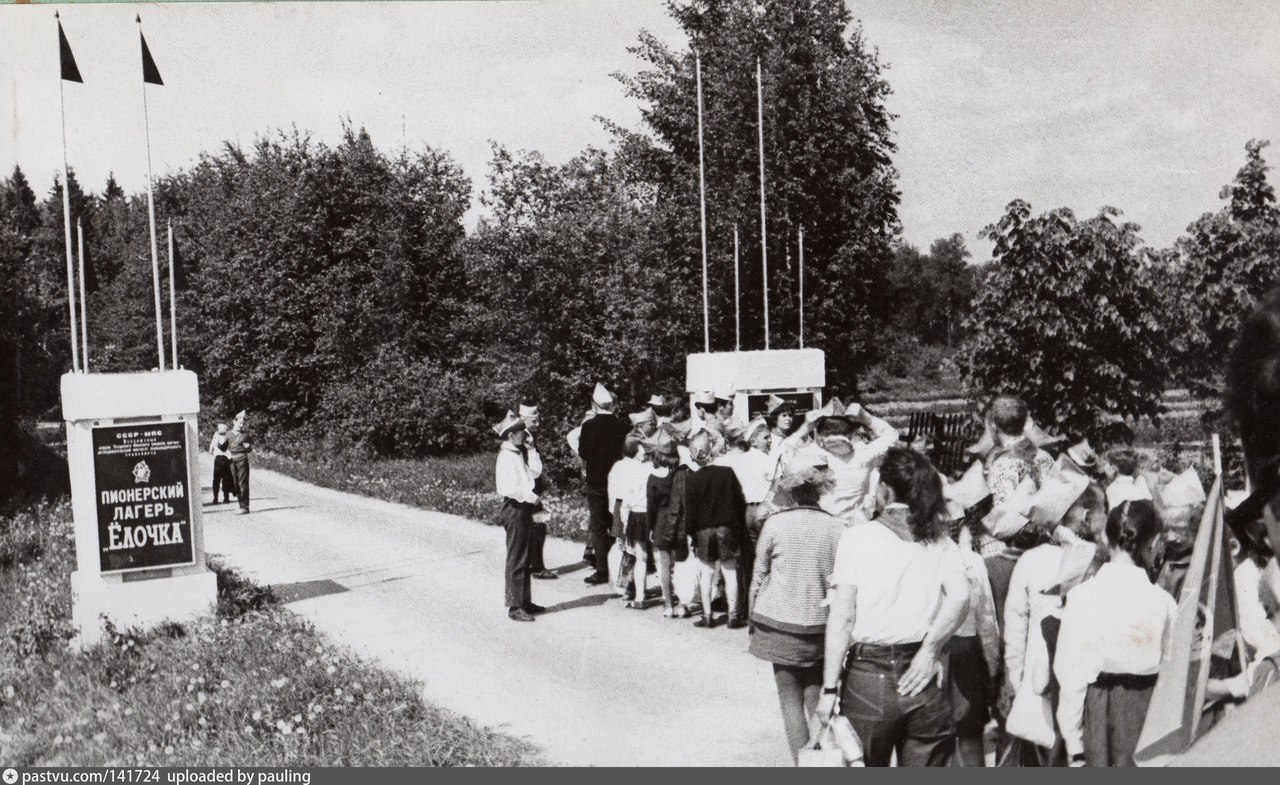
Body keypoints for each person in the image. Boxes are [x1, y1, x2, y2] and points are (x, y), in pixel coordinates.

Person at [817, 447, 970, 767]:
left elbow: (843, 617)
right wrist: (930, 650)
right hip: (921, 672)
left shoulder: (857, 539)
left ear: (884, 488)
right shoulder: (939, 540)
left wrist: (829, 688)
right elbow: (960, 597)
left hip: (869, 675)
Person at [1054, 500, 1176, 767]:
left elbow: (1070, 674)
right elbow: (1173, 673)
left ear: (1105, 540)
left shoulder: (1081, 597)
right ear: (1155, 542)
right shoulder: (1164, 602)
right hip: (1149, 713)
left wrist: (1074, 744)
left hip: (1102, 715)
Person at [1001, 472, 1105, 765]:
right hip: (1088, 691)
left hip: (1040, 687)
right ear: (1086, 515)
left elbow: (1015, 630)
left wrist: (1013, 680)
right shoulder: (1100, 561)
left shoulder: (1030, 561)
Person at [747, 453, 843, 761]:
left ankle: (803, 767)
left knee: (788, 698)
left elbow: (758, 577)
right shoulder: (836, 527)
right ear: (819, 491)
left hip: (778, 621)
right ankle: (819, 763)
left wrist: (751, 619)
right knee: (816, 696)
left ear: (788, 490)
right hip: (820, 624)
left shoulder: (774, 524)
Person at [780, 399, 898, 524]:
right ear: (852, 432)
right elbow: (892, 435)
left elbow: (783, 453)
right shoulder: (863, 455)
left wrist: (804, 428)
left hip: (824, 525)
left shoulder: (816, 455)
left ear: (819, 433)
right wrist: (866, 418)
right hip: (856, 524)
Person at [976, 396, 1056, 556]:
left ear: (993, 425)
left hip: (1013, 549)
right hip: (1044, 542)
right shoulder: (1044, 455)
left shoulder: (1002, 464)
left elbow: (1005, 521)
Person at [684, 431, 747, 628]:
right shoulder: (727, 472)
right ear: (712, 450)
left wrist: (690, 534)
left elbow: (690, 512)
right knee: (729, 571)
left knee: (707, 572)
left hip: (703, 531)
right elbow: (739, 501)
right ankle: (733, 615)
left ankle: (707, 615)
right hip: (727, 528)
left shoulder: (692, 479)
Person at [718, 417, 776, 612]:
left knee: (749, 559)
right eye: (766, 438)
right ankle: (767, 602)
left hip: (745, 511)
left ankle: (749, 604)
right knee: (769, 557)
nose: (770, 441)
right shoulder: (769, 460)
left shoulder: (739, 461)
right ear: (755, 440)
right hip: (766, 510)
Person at [578, 383, 630, 585]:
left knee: (599, 525)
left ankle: (602, 570)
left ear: (594, 404)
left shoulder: (588, 426)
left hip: (596, 481)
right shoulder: (623, 427)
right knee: (619, 522)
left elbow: (582, 453)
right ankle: (622, 566)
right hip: (618, 482)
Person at [493, 411, 544, 622]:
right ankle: (514, 606)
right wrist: (531, 497)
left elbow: (535, 473)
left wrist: (532, 451)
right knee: (516, 556)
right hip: (515, 508)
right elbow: (506, 488)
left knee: (526, 553)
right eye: (521, 431)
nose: (525, 434)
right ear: (511, 434)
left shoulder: (517, 453)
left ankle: (525, 601)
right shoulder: (506, 457)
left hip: (523, 508)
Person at [609, 436, 656, 608]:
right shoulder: (640, 468)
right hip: (631, 507)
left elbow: (612, 490)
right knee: (637, 551)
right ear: (636, 451)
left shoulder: (617, 466)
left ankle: (631, 586)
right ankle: (630, 587)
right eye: (642, 449)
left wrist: (614, 511)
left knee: (629, 549)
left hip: (622, 506)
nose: (644, 452)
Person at [647, 434, 691, 617]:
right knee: (681, 565)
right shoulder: (682, 473)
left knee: (663, 565)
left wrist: (650, 527)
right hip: (680, 520)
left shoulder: (653, 478)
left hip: (661, 521)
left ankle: (667, 605)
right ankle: (682, 603)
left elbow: (651, 506)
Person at [519, 404, 557, 581]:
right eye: (534, 419)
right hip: (529, 490)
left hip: (531, 489)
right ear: (524, 419)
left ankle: (533, 565)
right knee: (538, 526)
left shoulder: (527, 434)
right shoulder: (524, 436)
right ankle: (536, 567)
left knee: (535, 527)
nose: (538, 422)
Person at [227, 411, 253, 515]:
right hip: (231, 460)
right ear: (234, 422)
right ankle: (240, 505)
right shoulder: (228, 434)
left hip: (242, 460)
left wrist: (248, 447)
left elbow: (249, 449)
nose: (241, 425)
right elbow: (223, 448)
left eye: (243, 424)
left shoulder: (245, 435)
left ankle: (245, 507)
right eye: (239, 423)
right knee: (235, 483)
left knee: (243, 483)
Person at [209, 423, 235, 504]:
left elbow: (211, 447)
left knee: (216, 479)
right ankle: (226, 498)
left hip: (217, 459)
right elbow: (225, 448)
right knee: (225, 479)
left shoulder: (215, 435)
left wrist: (212, 449)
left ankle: (215, 498)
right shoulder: (227, 437)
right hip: (225, 459)